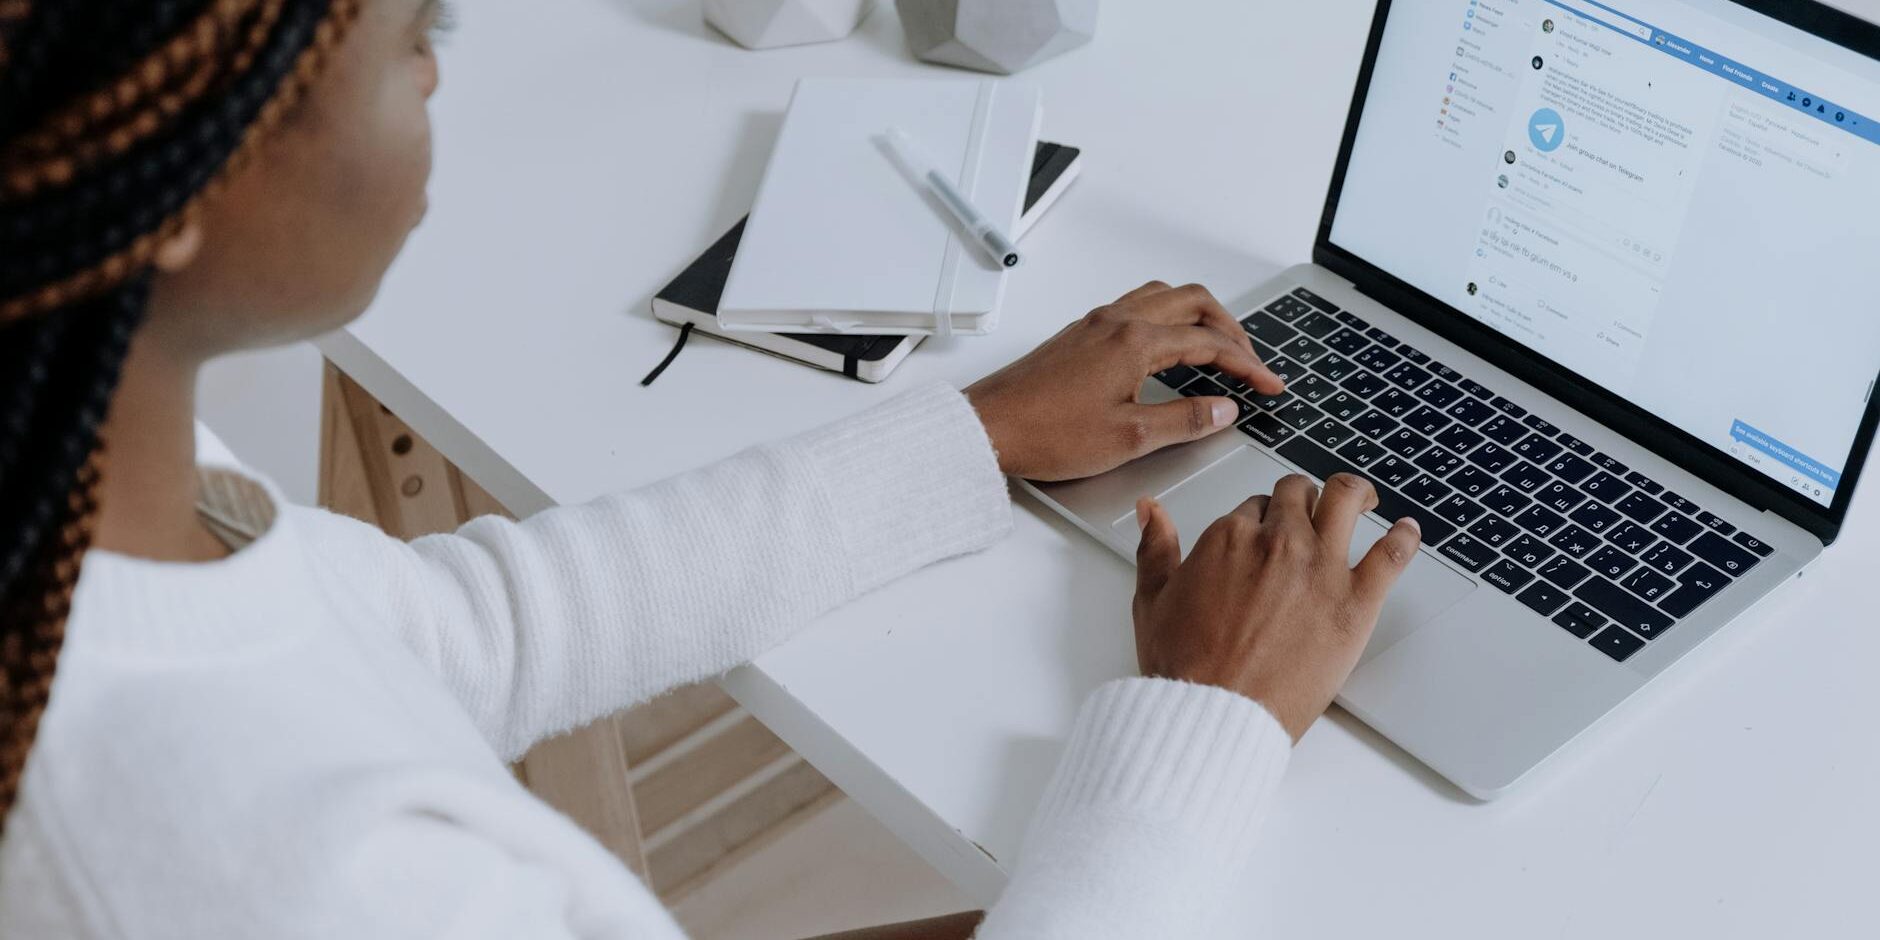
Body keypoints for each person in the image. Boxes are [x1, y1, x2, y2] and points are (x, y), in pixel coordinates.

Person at [0, 1, 1423, 937]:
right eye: (406, 33)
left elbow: (451, 631)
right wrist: (1205, 720)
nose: (440, 61)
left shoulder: (76, 477)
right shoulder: (305, 883)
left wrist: (972, 433)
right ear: (148, 172)